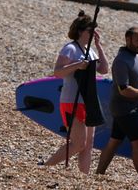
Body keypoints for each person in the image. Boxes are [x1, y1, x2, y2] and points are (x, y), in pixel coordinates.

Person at [44, 11, 110, 174]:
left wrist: (99, 45)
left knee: (88, 144)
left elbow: (104, 69)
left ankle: (84, 178)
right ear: (81, 31)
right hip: (71, 100)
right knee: (78, 143)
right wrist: (77, 65)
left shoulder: (91, 50)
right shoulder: (70, 48)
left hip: (88, 100)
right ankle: (46, 167)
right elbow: (58, 72)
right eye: (90, 30)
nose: (93, 33)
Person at [95, 27, 138, 186]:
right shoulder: (121, 61)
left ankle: (98, 173)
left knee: (114, 141)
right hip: (124, 108)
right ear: (128, 40)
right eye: (137, 41)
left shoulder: (134, 57)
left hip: (128, 108)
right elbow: (124, 90)